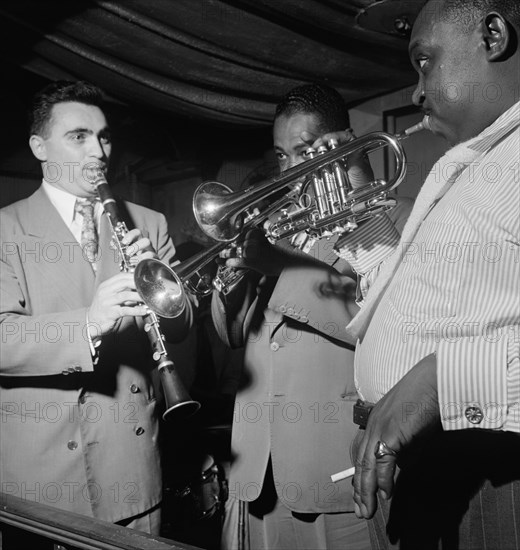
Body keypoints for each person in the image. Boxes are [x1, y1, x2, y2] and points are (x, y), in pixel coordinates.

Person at [341, 1, 520, 548]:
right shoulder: (481, 159)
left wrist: (443, 381)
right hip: (427, 469)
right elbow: (434, 304)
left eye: (424, 62)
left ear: (492, 36)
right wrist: (356, 220)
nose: (416, 92)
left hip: (492, 481)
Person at [212, 83, 413, 550]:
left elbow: (380, 321)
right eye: (281, 155)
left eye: (302, 151)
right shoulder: (275, 227)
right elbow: (234, 337)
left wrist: (276, 267)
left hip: (332, 472)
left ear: (339, 144)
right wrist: (233, 282)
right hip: (255, 469)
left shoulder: (395, 218)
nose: (288, 169)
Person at [0, 80, 194, 539]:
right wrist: (88, 323)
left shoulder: (149, 222)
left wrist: (160, 279)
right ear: (38, 146)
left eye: (103, 136)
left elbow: (183, 326)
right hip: (41, 478)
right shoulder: (6, 228)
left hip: (131, 467)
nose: (99, 152)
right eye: (79, 136)